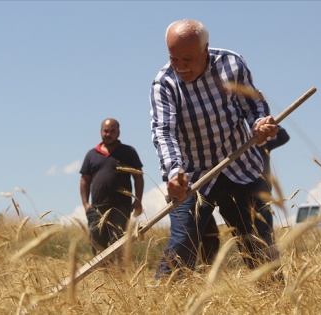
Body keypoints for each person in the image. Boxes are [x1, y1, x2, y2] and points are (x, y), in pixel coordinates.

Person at [150, 20, 280, 279]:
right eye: (173, 58)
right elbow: (164, 132)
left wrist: (260, 123)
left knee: (260, 247)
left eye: (187, 58)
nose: (180, 66)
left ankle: (275, 303)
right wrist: (173, 172)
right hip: (193, 178)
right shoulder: (164, 84)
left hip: (242, 168)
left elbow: (254, 105)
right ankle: (159, 304)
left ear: (205, 50)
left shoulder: (231, 64)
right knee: (181, 247)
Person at [200, 125, 290, 266]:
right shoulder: (240, 148)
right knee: (246, 232)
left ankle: (270, 270)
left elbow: (284, 136)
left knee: (265, 234)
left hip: (262, 194)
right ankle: (255, 266)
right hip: (242, 194)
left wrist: (268, 126)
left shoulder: (263, 145)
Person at [80, 118, 144, 257]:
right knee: (97, 245)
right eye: (106, 131)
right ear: (101, 131)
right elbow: (85, 180)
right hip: (96, 208)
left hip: (120, 207)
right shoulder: (91, 154)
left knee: (119, 244)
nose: (108, 134)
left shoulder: (128, 151)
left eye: (112, 131)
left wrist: (138, 200)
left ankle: (119, 276)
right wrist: (86, 204)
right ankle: (103, 276)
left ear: (118, 132)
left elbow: (138, 177)